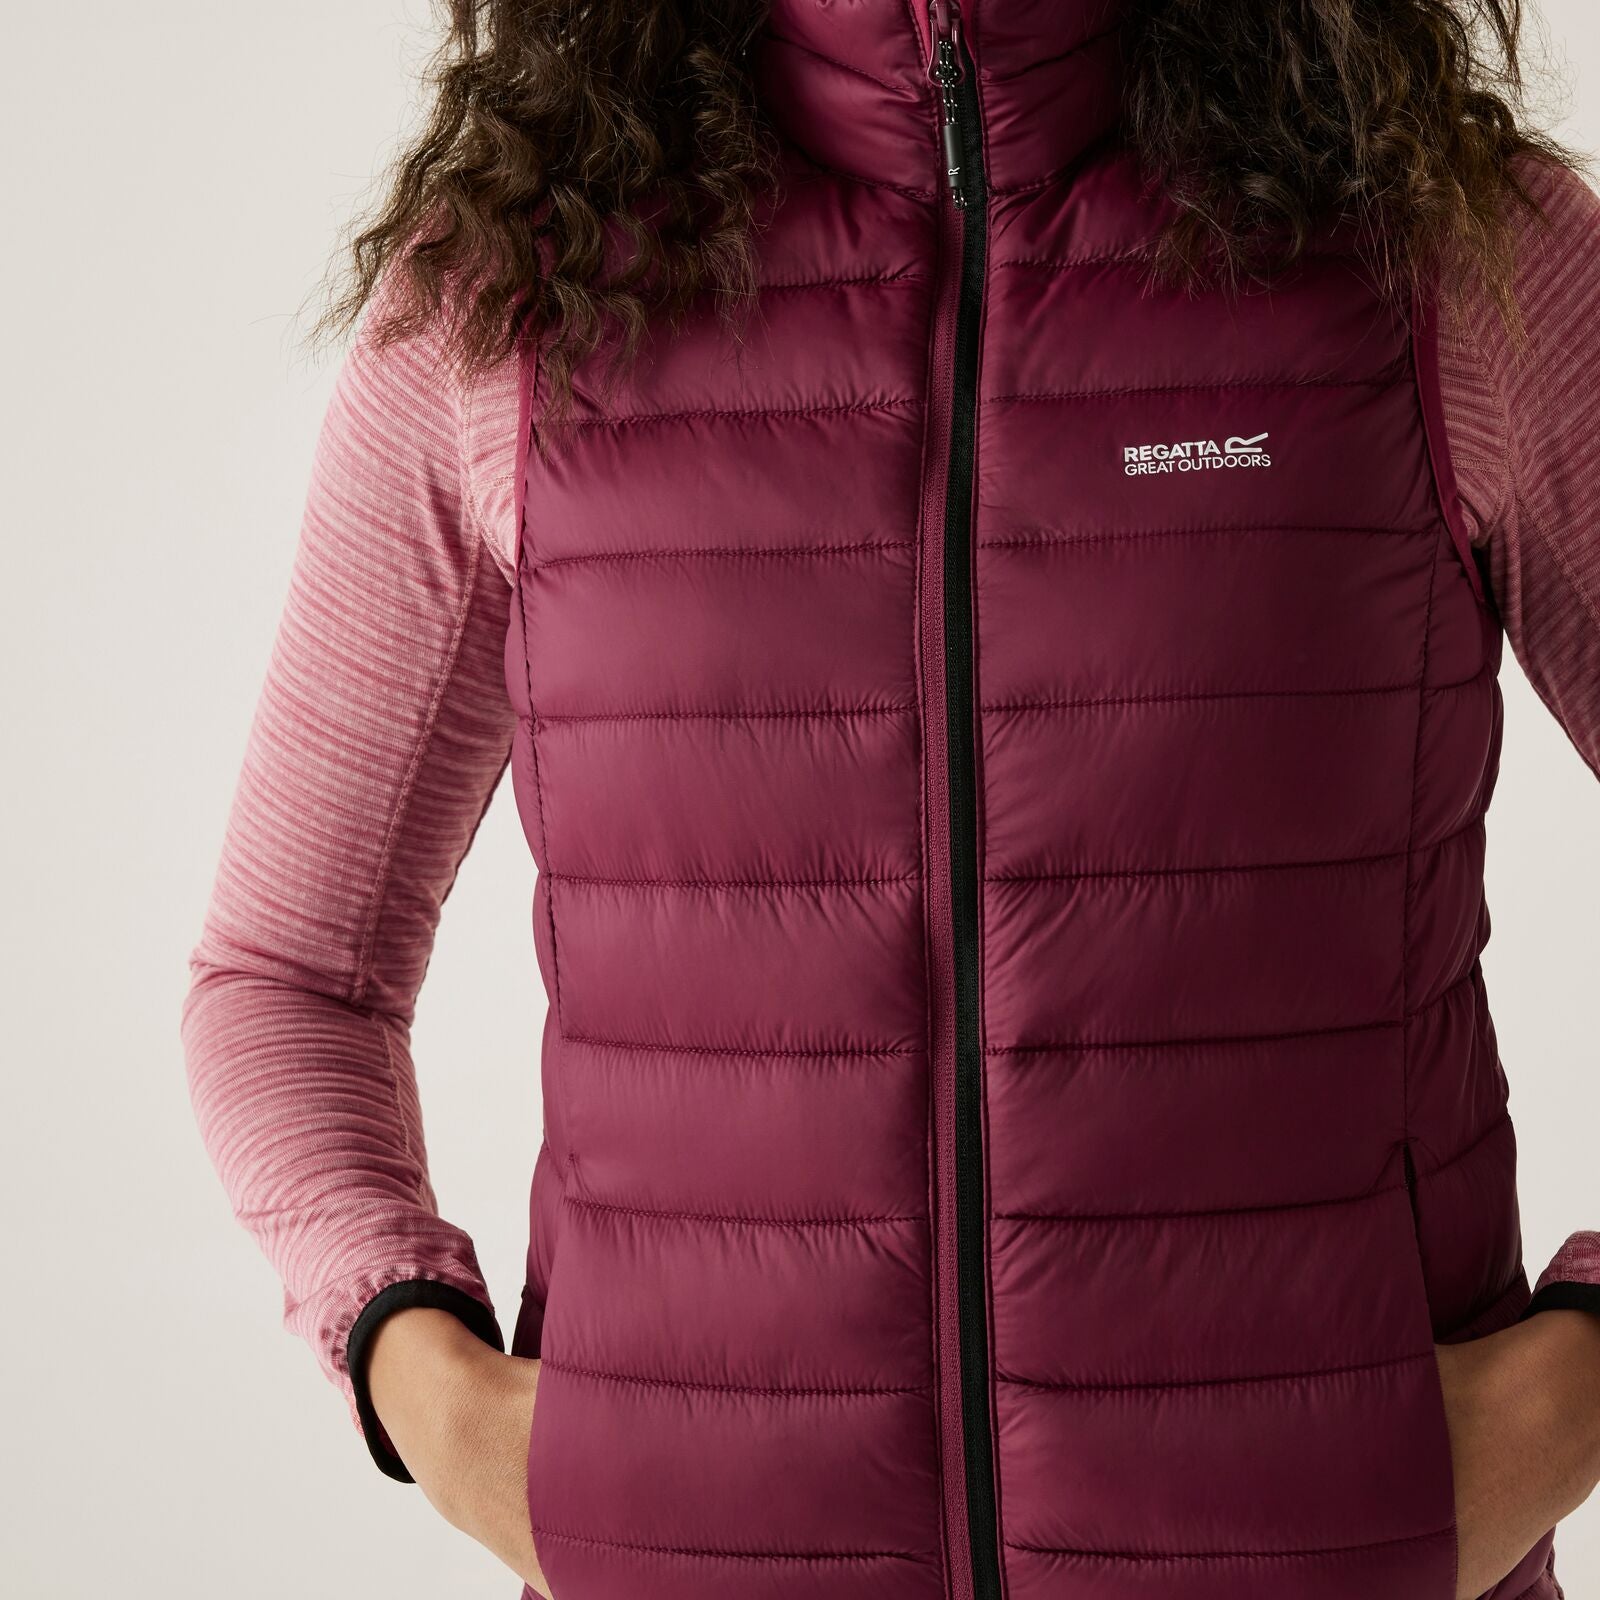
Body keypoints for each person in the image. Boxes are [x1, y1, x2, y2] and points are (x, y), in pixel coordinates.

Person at [180, 3, 1600, 1598]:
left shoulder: (1441, 255)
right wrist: (433, 1393)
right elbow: (285, 978)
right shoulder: (514, 294)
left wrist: (1571, 1390)